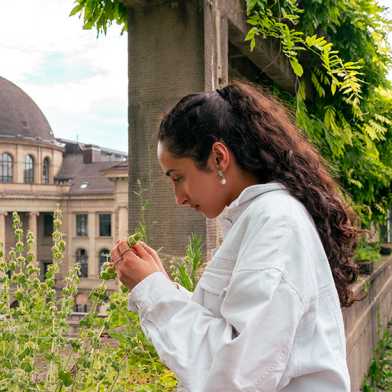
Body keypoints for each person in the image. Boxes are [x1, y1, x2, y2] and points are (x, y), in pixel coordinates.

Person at [111, 81, 359, 391]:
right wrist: (164, 286)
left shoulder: (275, 224)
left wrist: (152, 291)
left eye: (178, 178)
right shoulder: (264, 217)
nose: (179, 198)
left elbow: (235, 373)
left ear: (218, 158)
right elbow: (239, 333)